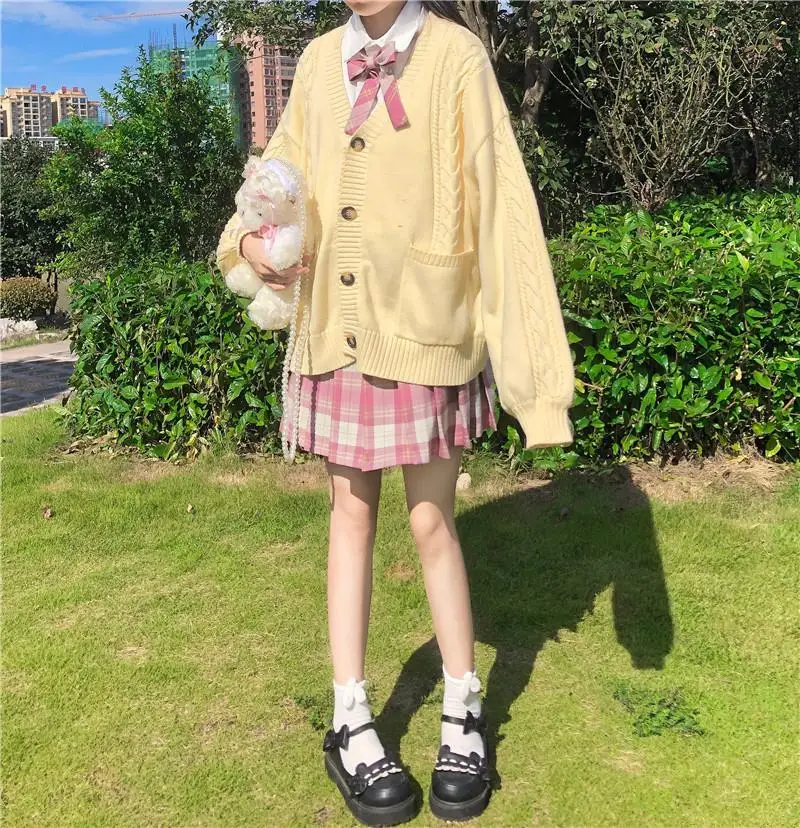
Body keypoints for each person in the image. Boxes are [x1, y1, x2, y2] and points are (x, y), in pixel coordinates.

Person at [216, 1, 575, 823]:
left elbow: (504, 209)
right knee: (349, 516)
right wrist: (247, 243)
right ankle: (349, 716)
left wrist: (538, 387)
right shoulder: (317, 62)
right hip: (336, 333)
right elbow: (278, 173)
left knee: (431, 522)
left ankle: (463, 705)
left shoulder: (456, 55)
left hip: (425, 329)